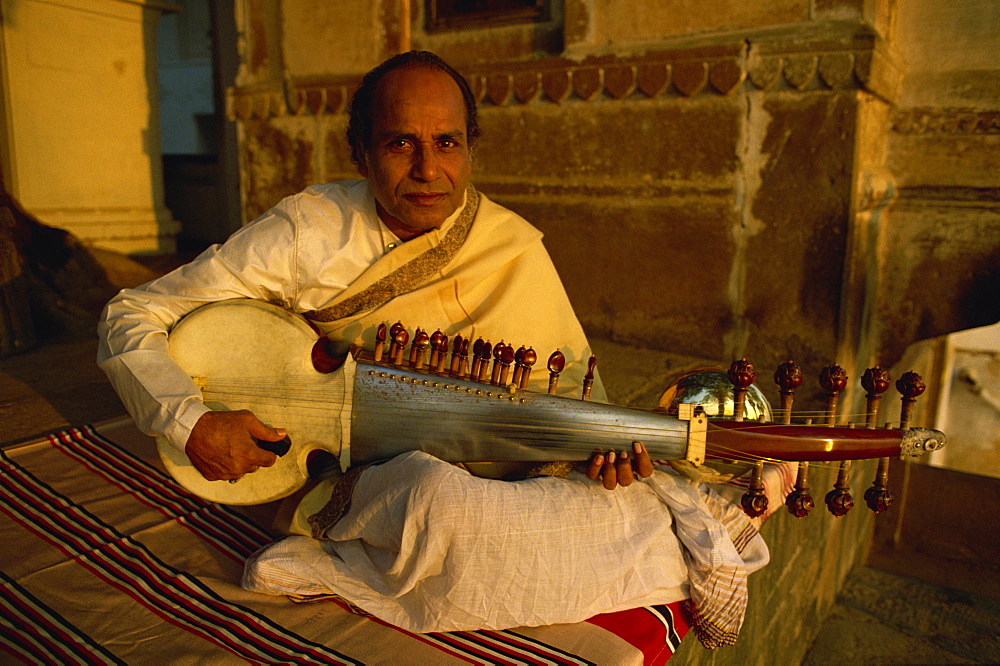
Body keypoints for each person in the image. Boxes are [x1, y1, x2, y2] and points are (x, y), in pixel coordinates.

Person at [98, 51, 767, 645]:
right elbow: (132, 313)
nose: (428, 169)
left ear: (471, 150)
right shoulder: (310, 232)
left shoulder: (508, 248)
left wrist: (598, 465)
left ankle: (394, 568)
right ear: (360, 153)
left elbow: (571, 405)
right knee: (432, 502)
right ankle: (341, 558)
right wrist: (189, 422)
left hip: (509, 473)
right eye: (400, 144)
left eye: (447, 143)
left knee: (628, 505)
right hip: (372, 469)